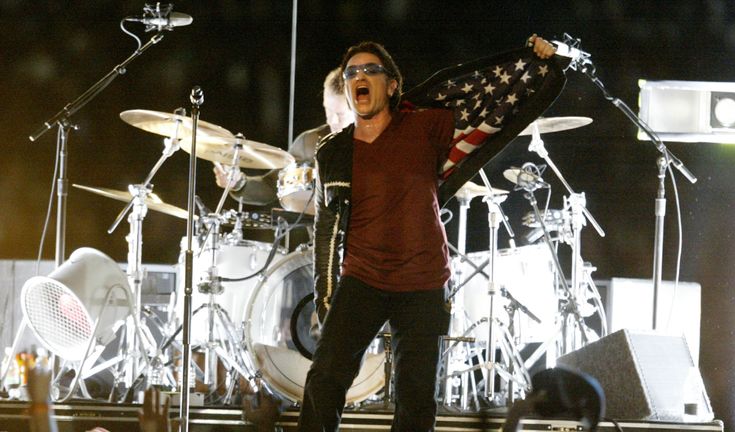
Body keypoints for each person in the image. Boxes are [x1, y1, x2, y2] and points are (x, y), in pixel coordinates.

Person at [299, 36, 557, 431]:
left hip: (421, 281)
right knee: (324, 379)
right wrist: (325, 292)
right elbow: (325, 226)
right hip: (362, 278)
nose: (359, 77)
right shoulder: (333, 151)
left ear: (392, 85)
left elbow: (495, 98)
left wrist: (537, 58)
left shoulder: (426, 126)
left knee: (416, 395)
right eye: (352, 73)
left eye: (371, 70)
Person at [213, 67, 354, 207]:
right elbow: (270, 186)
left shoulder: (375, 147)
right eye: (328, 110)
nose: (332, 121)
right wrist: (238, 182)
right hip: (322, 229)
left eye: (340, 115)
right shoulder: (309, 143)